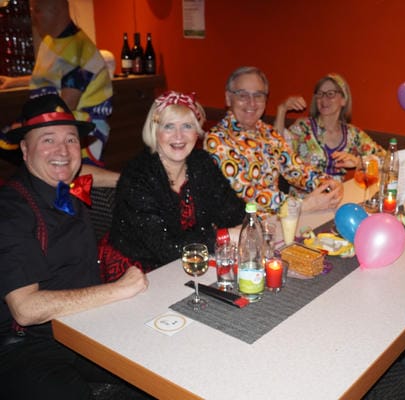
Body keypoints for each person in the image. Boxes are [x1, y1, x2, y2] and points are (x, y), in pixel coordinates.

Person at [0, 94, 148, 399]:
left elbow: (88, 174)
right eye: (48, 140)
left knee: (157, 372)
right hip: (27, 347)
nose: (63, 151)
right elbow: (25, 309)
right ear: (24, 150)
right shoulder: (11, 211)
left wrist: (133, 182)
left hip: (85, 329)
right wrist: (119, 289)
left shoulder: (67, 185)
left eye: (70, 140)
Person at [99, 91, 246, 282]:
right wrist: (225, 236)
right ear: (155, 131)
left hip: (189, 260)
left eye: (187, 126)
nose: (179, 136)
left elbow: (233, 211)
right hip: (136, 271)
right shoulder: (137, 176)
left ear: (196, 131)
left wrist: (247, 225)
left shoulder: (201, 163)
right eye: (169, 126)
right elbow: (165, 247)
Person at [203, 66, 343, 214]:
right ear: (228, 98)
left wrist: (327, 182)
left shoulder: (268, 132)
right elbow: (247, 194)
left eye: (258, 95)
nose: (252, 103)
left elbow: (296, 168)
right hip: (242, 225)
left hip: (277, 220)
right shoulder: (217, 140)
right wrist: (301, 205)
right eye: (243, 95)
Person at [0, 0, 113, 167]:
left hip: (78, 133)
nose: (33, 18)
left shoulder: (79, 50)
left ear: (57, 10)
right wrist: (13, 82)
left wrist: (24, 124)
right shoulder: (51, 42)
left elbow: (65, 105)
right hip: (54, 126)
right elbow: (53, 77)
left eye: (37, 10)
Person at [274, 73, 385, 181]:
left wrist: (358, 161)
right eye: (320, 94)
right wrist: (282, 109)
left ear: (343, 100)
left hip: (340, 193)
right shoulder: (304, 127)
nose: (324, 99)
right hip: (307, 193)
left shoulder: (353, 134)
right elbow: (276, 150)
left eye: (330, 94)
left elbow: (386, 159)